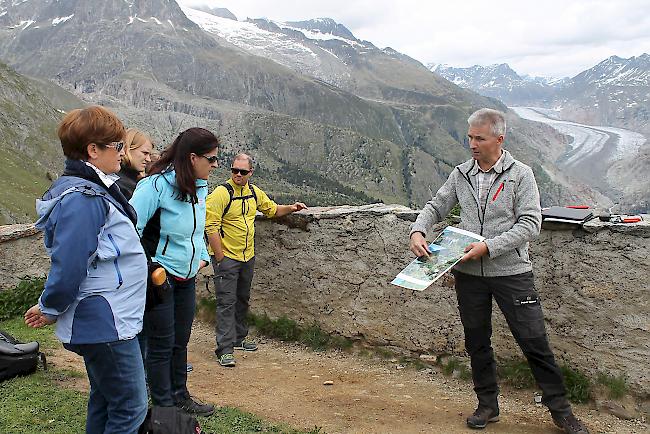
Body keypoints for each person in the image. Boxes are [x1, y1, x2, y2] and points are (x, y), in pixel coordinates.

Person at [409, 108, 589, 434]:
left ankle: (561, 411)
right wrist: (418, 231)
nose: (472, 144)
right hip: (468, 275)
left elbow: (531, 224)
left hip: (512, 273)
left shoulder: (521, 175)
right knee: (477, 341)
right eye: (470, 137)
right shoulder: (461, 172)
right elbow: (437, 206)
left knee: (534, 341)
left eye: (480, 138)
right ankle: (487, 406)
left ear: (499, 139)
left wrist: (488, 247)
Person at [24, 106, 148, 434]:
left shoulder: (91, 188)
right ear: (93, 150)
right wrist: (50, 306)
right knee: (130, 407)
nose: (122, 154)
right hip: (106, 321)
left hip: (107, 317)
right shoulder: (83, 197)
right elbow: (69, 264)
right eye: (116, 146)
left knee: (106, 398)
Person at [130, 127, 219, 417]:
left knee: (180, 342)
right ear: (193, 158)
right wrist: (152, 267)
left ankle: (180, 396)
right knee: (161, 344)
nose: (216, 164)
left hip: (187, 277)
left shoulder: (200, 186)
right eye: (211, 159)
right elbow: (129, 230)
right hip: (160, 278)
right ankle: (164, 406)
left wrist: (203, 257)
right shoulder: (155, 187)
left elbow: (196, 232)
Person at [205, 153, 307, 367]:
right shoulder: (220, 194)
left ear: (250, 173)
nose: (238, 175)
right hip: (227, 257)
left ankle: (239, 338)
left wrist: (291, 208)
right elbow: (211, 226)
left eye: (242, 172)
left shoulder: (253, 192)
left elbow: (271, 209)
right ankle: (224, 349)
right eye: (234, 170)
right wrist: (220, 257)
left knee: (242, 298)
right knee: (226, 302)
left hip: (247, 256)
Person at [116, 128, 154, 199]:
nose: (148, 159)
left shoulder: (131, 182)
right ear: (127, 149)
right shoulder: (122, 186)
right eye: (145, 153)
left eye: (149, 155)